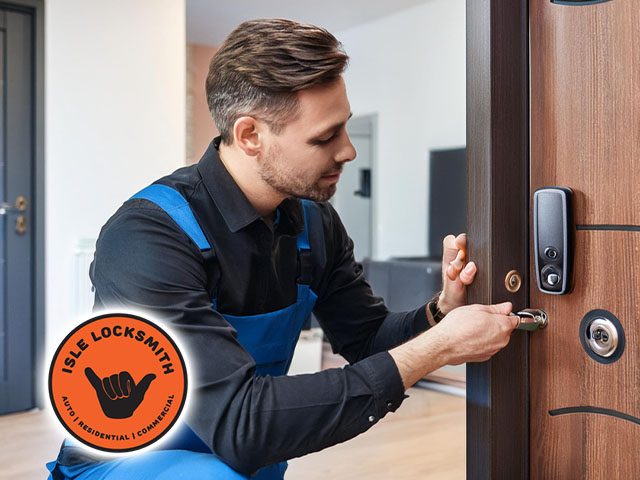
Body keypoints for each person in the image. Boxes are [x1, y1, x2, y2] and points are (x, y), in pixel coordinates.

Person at [46, 18, 518, 480]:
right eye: (324, 136)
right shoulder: (148, 237)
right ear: (250, 135)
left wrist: (440, 312)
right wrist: (437, 350)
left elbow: (367, 339)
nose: (349, 151)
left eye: (345, 127)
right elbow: (239, 423)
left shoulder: (315, 222)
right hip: (124, 465)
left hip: (245, 460)